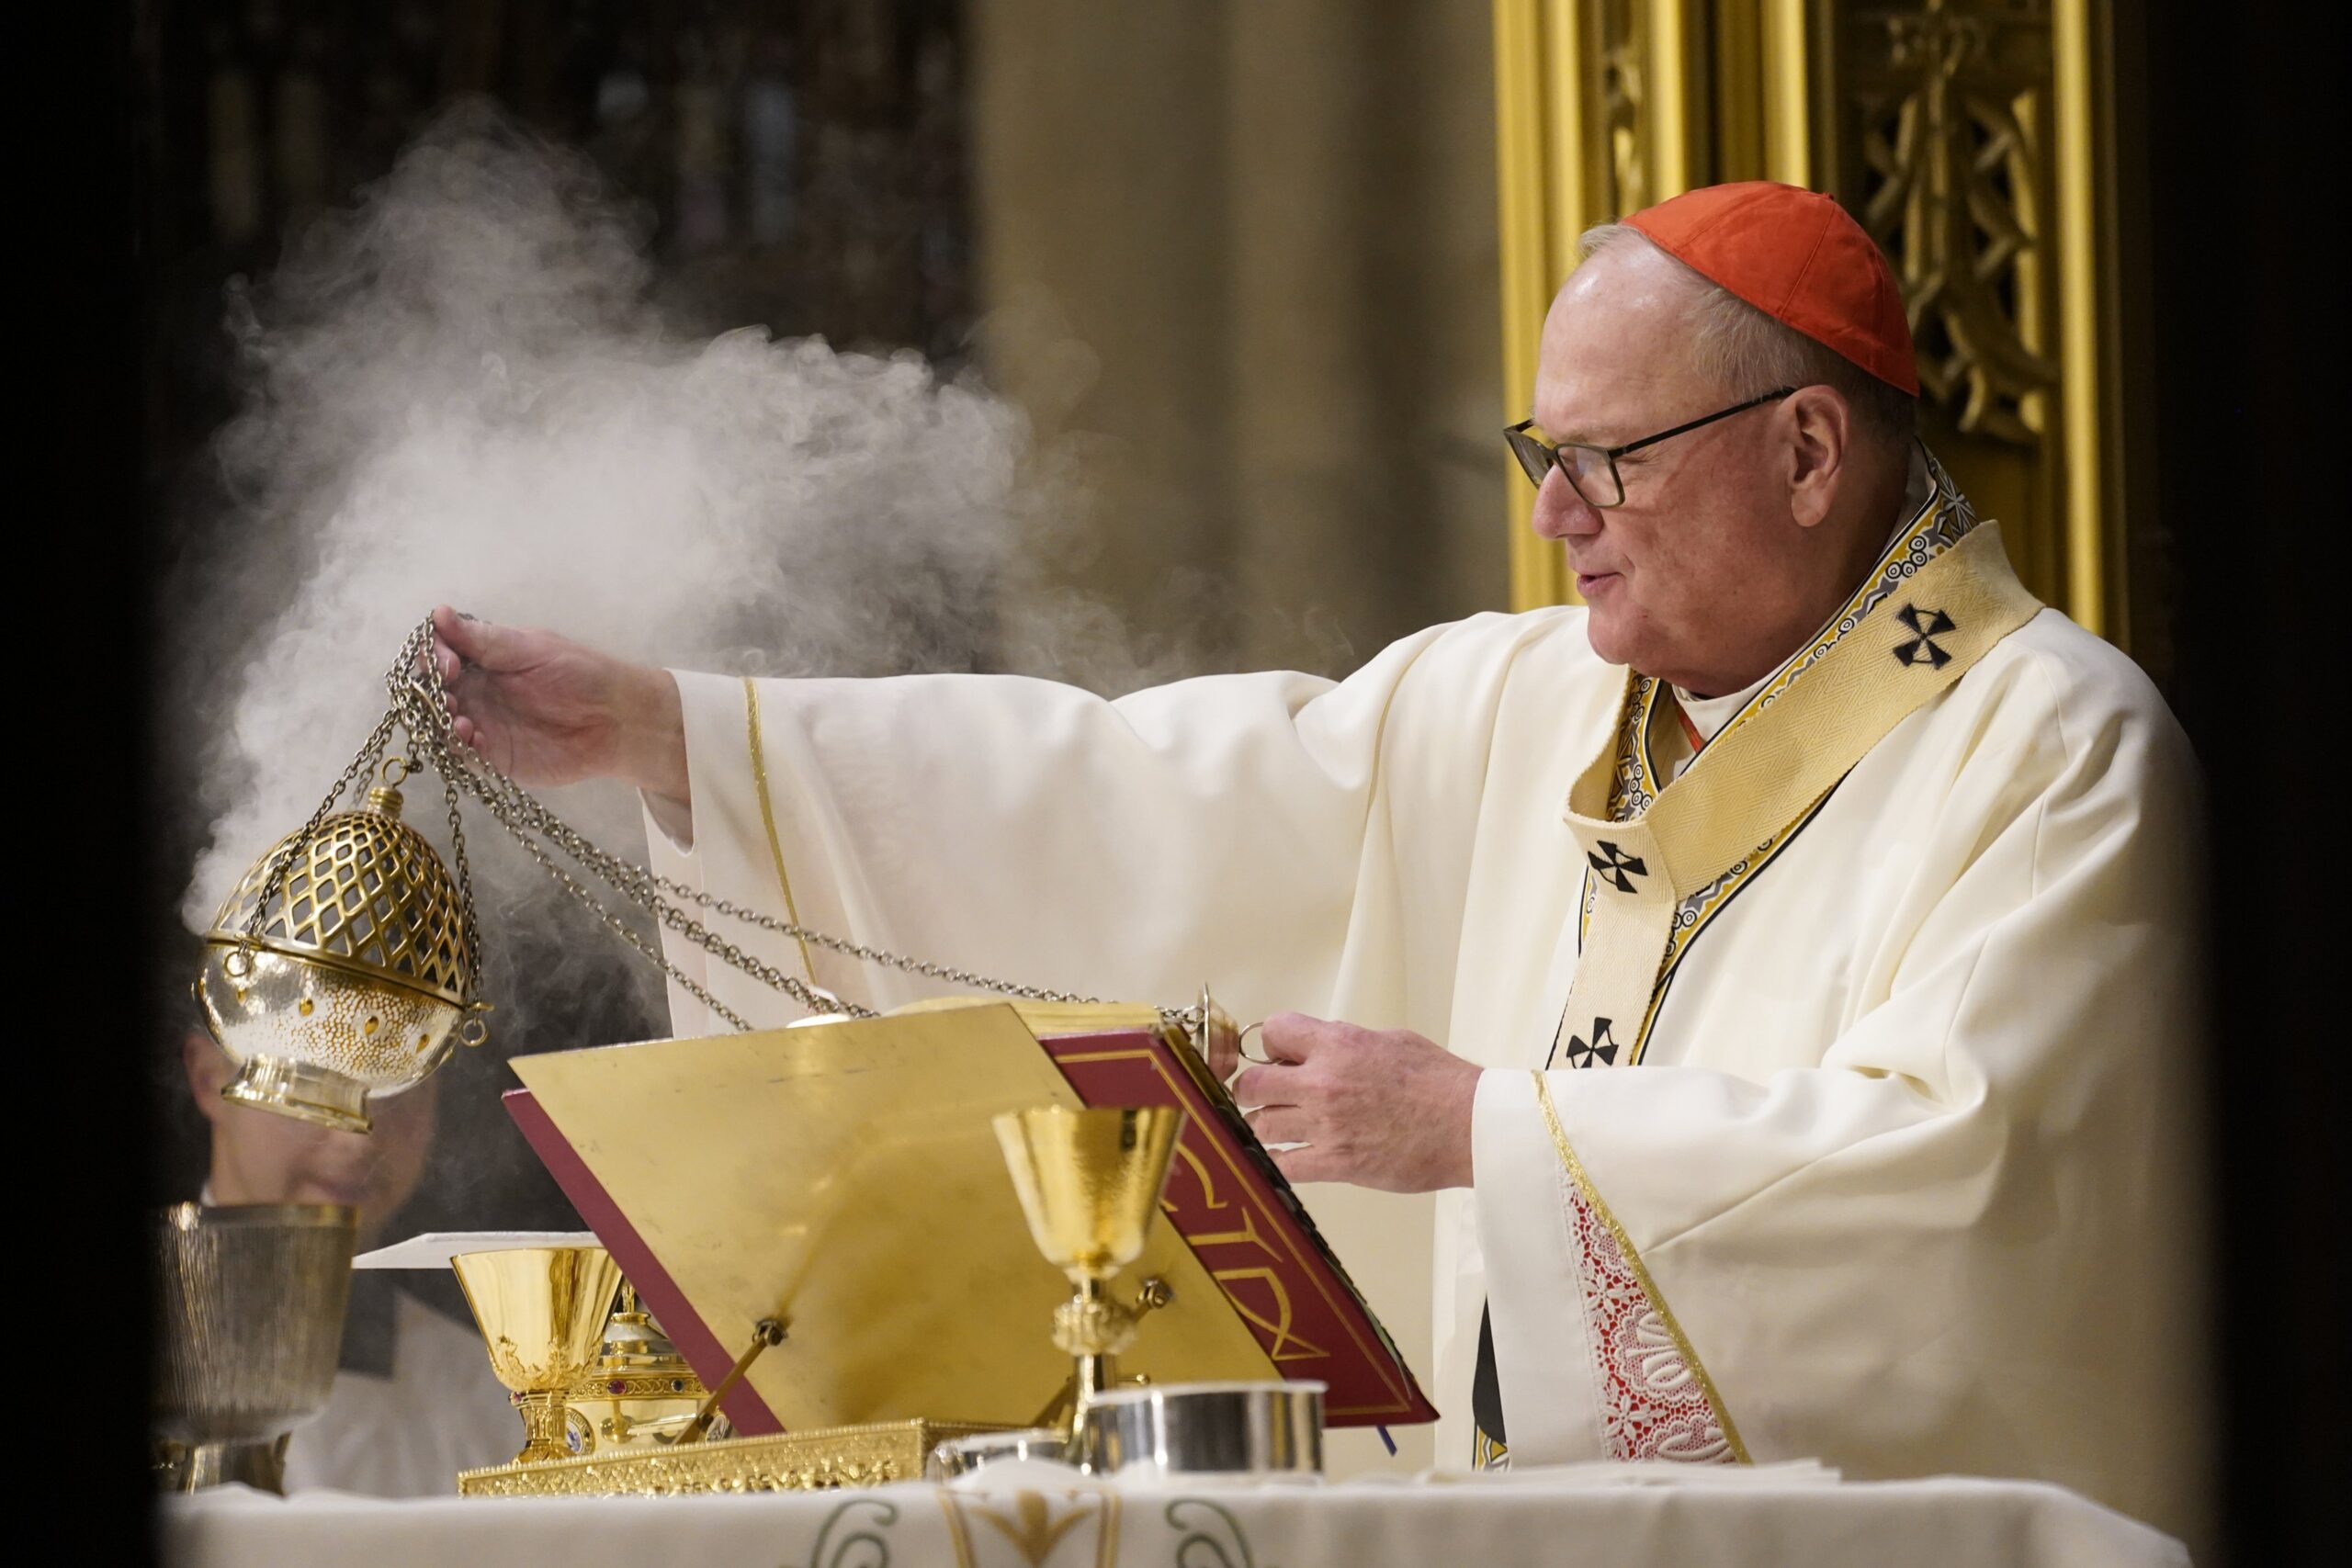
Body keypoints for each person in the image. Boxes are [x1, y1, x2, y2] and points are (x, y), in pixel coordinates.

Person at [425, 182, 2206, 1540]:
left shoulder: (2045, 745)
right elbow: (1130, 802)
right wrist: (680, 732)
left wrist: (1480, 1133)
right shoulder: (1510, 703)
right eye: (1535, 455)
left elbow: (1963, 1183)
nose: (1546, 518)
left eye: (1598, 460)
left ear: (1805, 450)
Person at [182, 1022, 514, 1495]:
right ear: (209, 1077)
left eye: (400, 1090)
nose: (359, 1139)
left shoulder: (494, 1402)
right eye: (315, 1082)